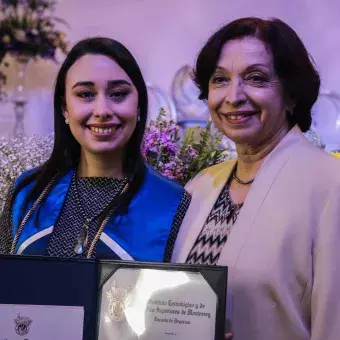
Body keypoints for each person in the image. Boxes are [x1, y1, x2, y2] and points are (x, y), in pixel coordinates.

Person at [171, 17, 340, 340]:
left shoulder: (331, 185)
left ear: (291, 94)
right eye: (220, 79)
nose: (233, 96)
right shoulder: (201, 186)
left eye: (256, 78)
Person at [0, 37, 190, 261]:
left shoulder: (171, 203)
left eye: (118, 94)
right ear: (65, 109)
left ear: (139, 106)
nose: (102, 110)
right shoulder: (27, 194)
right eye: (85, 94)